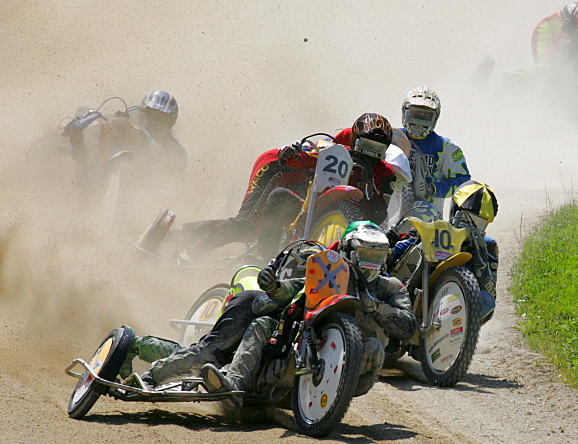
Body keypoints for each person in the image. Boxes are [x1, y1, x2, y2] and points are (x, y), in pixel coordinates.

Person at [201, 221, 418, 408]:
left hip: (355, 369)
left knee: (374, 347)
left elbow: (409, 328)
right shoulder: (330, 274)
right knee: (262, 323)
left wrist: (377, 308)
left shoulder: (391, 287)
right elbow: (299, 288)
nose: (372, 264)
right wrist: (275, 287)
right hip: (301, 351)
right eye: (366, 255)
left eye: (378, 256)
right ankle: (234, 384)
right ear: (349, 252)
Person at [182, 113, 399, 259]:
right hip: (275, 170)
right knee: (247, 224)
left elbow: (379, 213)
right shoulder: (332, 148)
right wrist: (293, 152)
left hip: (323, 212)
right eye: (367, 145)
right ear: (355, 138)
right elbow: (301, 154)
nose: (370, 152)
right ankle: (189, 245)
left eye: (377, 148)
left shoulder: (384, 172)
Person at [119, 243, 324, 390]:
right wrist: (273, 287)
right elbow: (276, 297)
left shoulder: (319, 303)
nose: (315, 272)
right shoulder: (293, 289)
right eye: (308, 266)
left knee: (200, 357)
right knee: (207, 356)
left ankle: (139, 346)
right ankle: (149, 375)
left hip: (264, 338)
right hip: (245, 309)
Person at [389, 180, 500, 321]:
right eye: (467, 219)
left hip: (457, 302)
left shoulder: (487, 245)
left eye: (479, 223)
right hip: (407, 290)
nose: (471, 227)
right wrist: (392, 245)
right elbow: (395, 253)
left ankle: (461, 336)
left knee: (486, 301)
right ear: (455, 210)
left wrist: (482, 267)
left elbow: (492, 293)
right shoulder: (433, 227)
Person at [61, 90, 187, 192]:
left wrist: (144, 138)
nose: (155, 120)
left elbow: (174, 168)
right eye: (151, 114)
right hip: (97, 172)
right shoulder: (126, 124)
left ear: (171, 120)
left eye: (161, 118)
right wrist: (89, 121)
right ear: (143, 112)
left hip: (140, 188)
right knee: (75, 142)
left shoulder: (174, 148)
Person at [399, 87, 471, 214]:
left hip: (429, 219)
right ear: (405, 112)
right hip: (388, 214)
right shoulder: (392, 138)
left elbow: (463, 181)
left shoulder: (447, 148)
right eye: (415, 114)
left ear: (435, 118)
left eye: (426, 116)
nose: (419, 123)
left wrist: (433, 188)